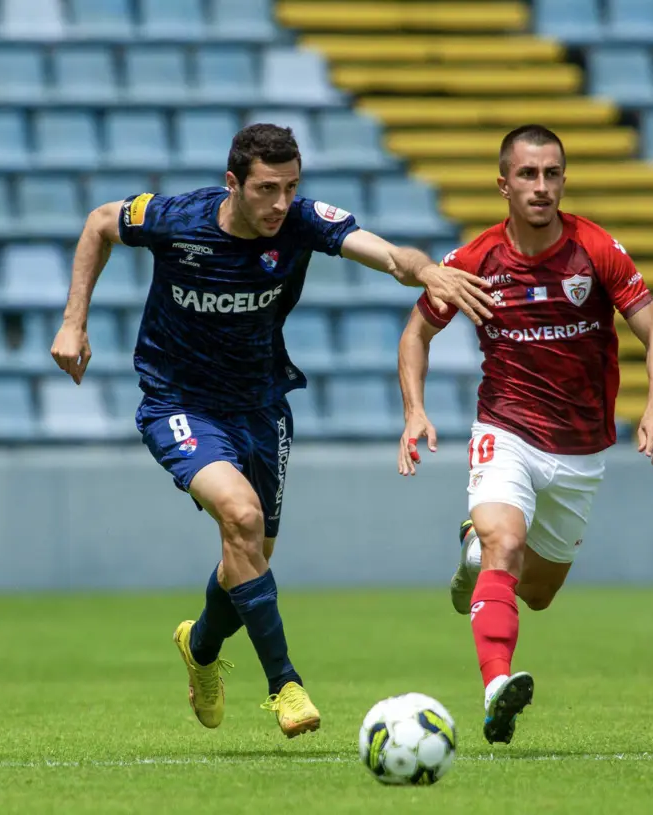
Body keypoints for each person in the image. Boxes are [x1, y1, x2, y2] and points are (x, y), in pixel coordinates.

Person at [51, 123, 494, 738]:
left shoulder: (303, 222)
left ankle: (200, 647)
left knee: (252, 556)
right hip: (178, 403)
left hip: (261, 405)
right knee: (242, 518)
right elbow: (102, 221)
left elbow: (390, 255)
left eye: (290, 188)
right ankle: (285, 684)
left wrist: (427, 273)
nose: (280, 204)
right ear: (232, 184)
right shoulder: (177, 219)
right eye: (266, 189)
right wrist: (74, 323)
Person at [396, 124, 653, 745]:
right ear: (503, 184)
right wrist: (414, 410)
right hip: (507, 428)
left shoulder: (596, 250)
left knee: (539, 592)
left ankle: (475, 552)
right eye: (528, 174)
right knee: (508, 543)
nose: (541, 186)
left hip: (580, 449)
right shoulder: (475, 262)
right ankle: (496, 685)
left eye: (552, 174)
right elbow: (416, 333)